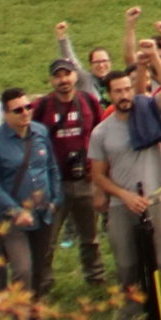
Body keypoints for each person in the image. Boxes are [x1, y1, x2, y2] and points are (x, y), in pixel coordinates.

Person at [89, 44, 161, 320]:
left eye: (128, 90)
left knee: (160, 259)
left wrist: (151, 62)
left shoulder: (148, 113)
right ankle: (130, 313)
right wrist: (123, 195)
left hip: (155, 198)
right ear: (109, 95)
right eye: (118, 92)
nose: (124, 96)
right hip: (121, 204)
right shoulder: (101, 132)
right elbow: (98, 175)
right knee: (126, 263)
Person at [0, 87, 59, 320]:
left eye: (27, 107)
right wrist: (14, 211)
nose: (25, 113)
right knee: (22, 270)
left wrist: (55, 199)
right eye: (18, 110)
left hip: (43, 215)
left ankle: (32, 317)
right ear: (5, 114)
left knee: (38, 270)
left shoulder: (41, 132)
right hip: (13, 220)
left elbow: (52, 168)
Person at [33, 55, 106, 286]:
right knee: (48, 238)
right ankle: (43, 281)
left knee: (90, 237)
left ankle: (95, 277)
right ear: (50, 80)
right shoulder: (42, 106)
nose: (63, 80)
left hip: (86, 178)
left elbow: (100, 132)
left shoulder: (89, 102)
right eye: (58, 76)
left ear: (75, 75)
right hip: (55, 183)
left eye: (67, 74)